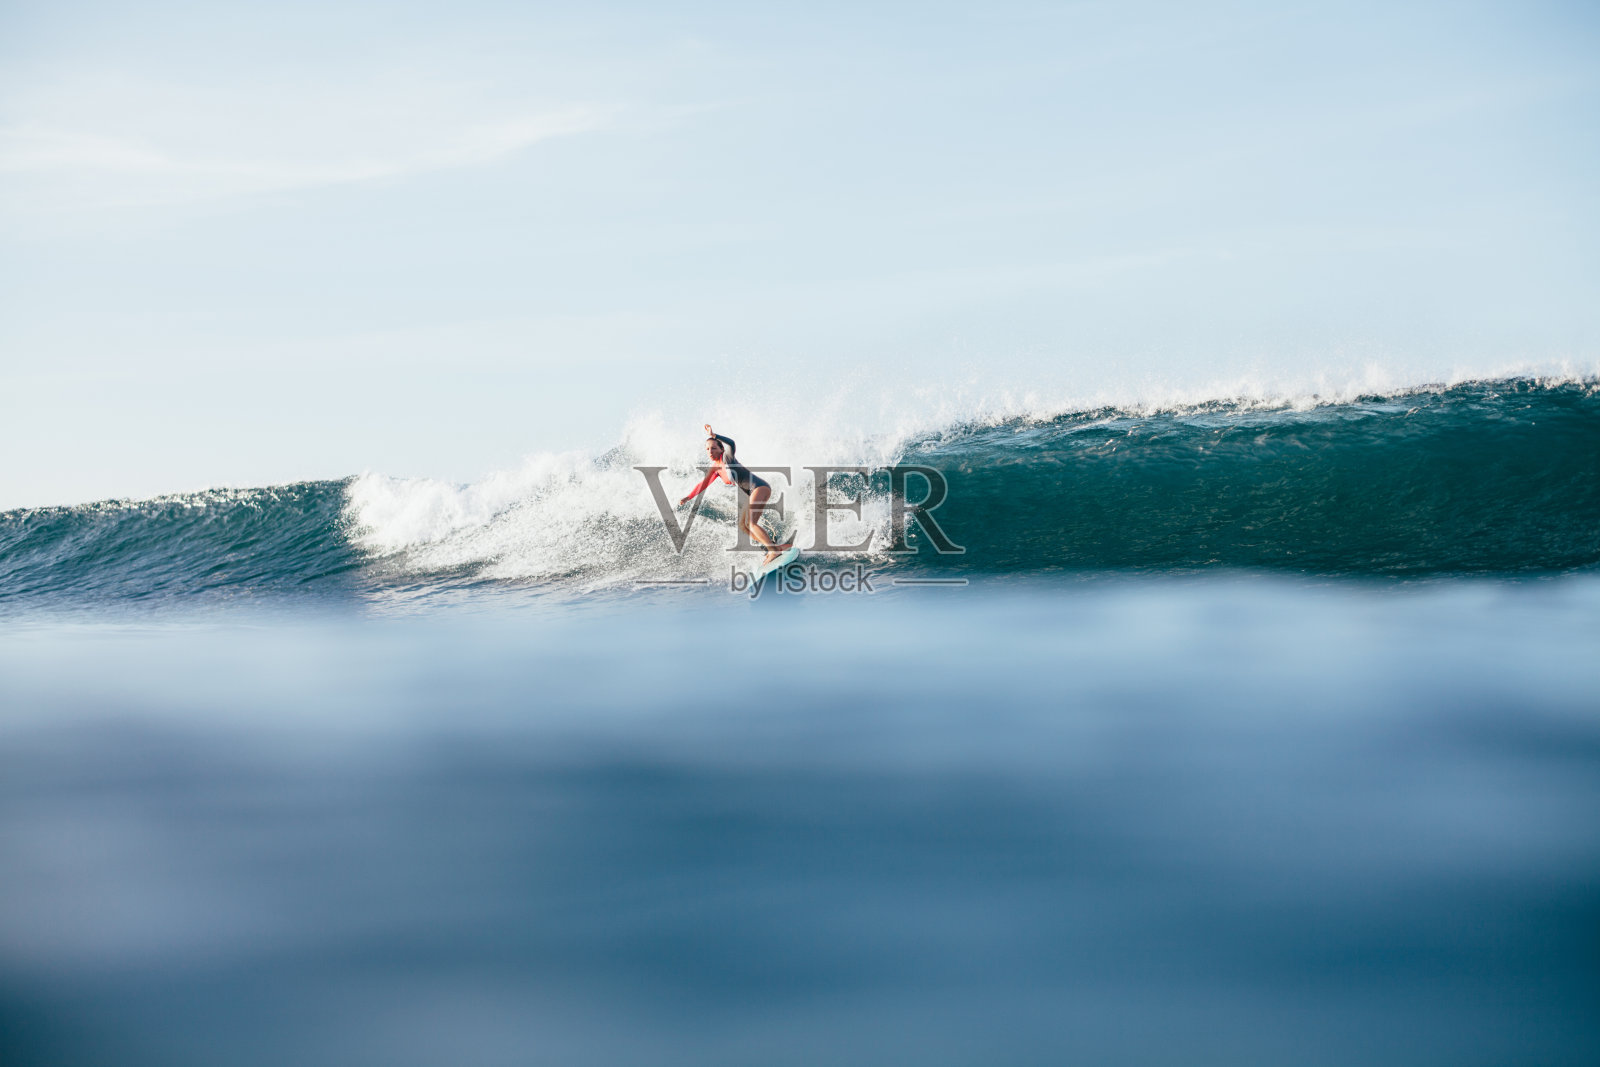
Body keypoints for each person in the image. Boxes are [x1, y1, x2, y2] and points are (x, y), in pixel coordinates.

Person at [678, 424, 794, 564]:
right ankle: (775, 547)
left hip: (760, 488)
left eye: (714, 448)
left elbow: (732, 443)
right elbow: (703, 484)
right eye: (707, 449)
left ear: (720, 449)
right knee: (743, 525)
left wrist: (714, 435)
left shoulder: (727, 458)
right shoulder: (715, 468)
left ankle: (772, 551)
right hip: (752, 492)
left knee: (751, 523)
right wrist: (688, 497)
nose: (710, 451)